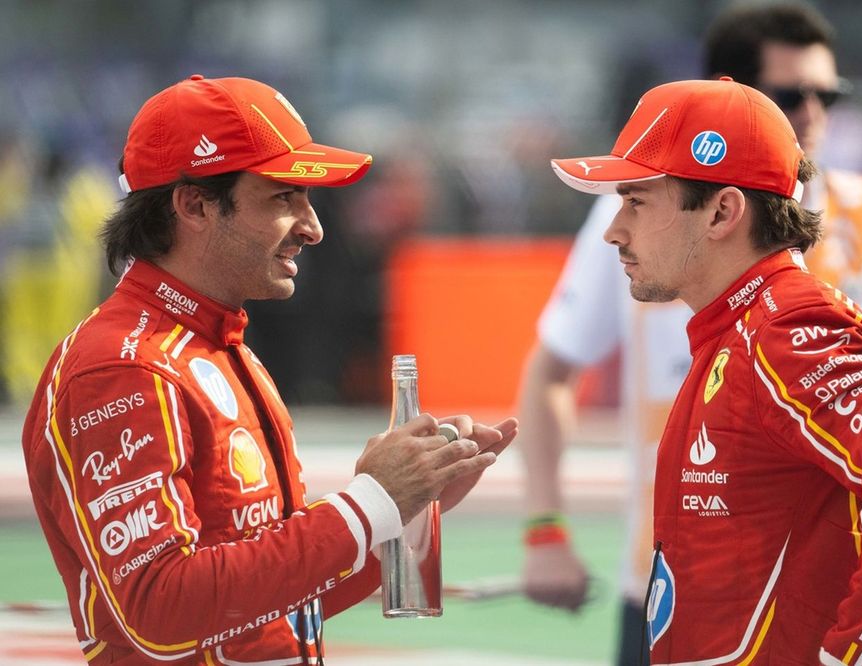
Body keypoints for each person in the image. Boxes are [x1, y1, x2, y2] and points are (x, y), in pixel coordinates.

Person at [518, 4, 862, 664]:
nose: (613, 228)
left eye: (636, 202)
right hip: (671, 587)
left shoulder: (786, 325)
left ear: (721, 211)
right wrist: (546, 531)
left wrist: (849, 657)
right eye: (789, 95)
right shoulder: (732, 327)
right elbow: (552, 371)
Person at [21, 74, 518, 664]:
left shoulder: (220, 348)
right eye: (284, 198)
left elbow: (271, 599)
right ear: (194, 204)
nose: (314, 227)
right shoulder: (121, 369)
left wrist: (400, 507)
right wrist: (367, 501)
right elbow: (157, 610)